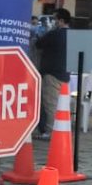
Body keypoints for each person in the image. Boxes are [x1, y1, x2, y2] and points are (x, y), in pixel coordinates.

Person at [33, 8, 71, 139]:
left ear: (61, 21)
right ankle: (59, 130)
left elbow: (38, 44)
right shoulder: (74, 34)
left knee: (50, 104)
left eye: (54, 19)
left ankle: (51, 132)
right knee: (61, 104)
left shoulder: (54, 34)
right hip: (65, 74)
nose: (52, 22)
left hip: (51, 74)